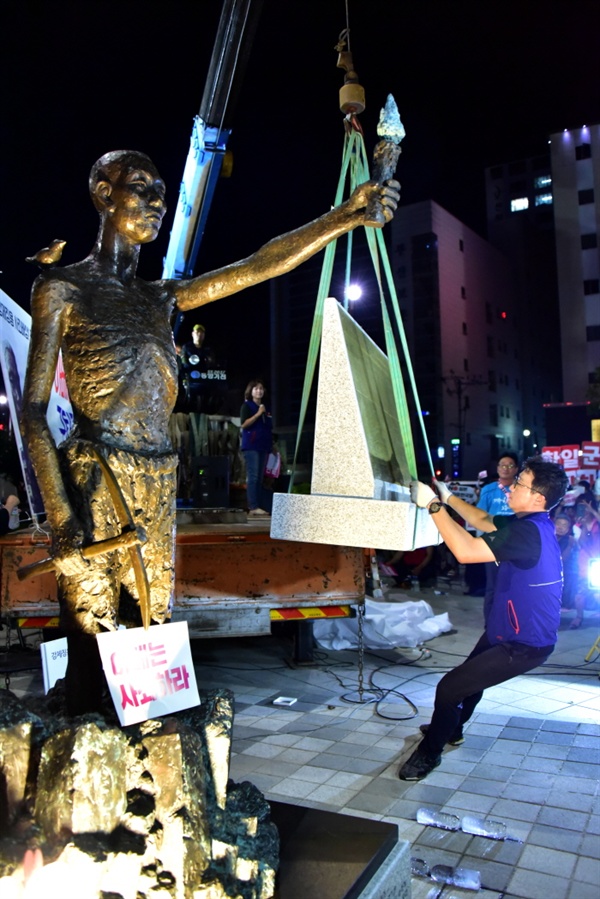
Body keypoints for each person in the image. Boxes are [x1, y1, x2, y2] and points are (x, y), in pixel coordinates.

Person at [21, 149, 399, 713]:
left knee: (152, 615)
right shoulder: (63, 289)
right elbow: (31, 411)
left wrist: (344, 216)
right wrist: (62, 516)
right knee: (91, 620)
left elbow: (259, 264)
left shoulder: (160, 296)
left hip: (156, 471)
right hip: (96, 472)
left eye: (162, 194)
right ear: (103, 192)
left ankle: (153, 743)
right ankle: (82, 741)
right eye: (140, 188)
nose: (155, 204)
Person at [398, 456, 568, 781]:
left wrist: (433, 506)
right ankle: (452, 730)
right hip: (505, 630)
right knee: (469, 682)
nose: (511, 485)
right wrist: (449, 498)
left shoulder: (527, 534)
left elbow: (465, 551)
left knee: (448, 689)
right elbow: (483, 519)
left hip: (524, 643)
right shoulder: (529, 524)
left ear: (538, 498)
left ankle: (428, 754)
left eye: (520, 482)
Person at [477, 452, 519, 623]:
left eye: (510, 465)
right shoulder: (488, 490)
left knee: (515, 585)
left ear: (516, 469)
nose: (506, 468)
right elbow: (479, 516)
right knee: (492, 586)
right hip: (494, 544)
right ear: (497, 468)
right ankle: (490, 623)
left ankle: (512, 622)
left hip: (516, 544)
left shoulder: (521, 489)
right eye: (502, 465)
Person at [240, 380, 273, 517]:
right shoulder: (247, 406)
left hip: (263, 446)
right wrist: (258, 414)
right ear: (251, 391)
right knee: (253, 477)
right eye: (256, 389)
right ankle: (252, 506)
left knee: (259, 478)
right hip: (251, 446)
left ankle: (259, 505)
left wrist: (272, 446)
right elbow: (244, 424)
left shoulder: (266, 408)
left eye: (261, 389)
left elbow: (268, 427)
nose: (259, 391)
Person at [569, 500, 600, 629]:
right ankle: (579, 617)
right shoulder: (577, 526)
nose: (585, 512)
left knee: (597, 593)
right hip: (585, 563)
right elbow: (582, 543)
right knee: (580, 593)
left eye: (587, 509)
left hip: (597, 560)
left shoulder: (597, 523)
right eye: (583, 509)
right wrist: (583, 527)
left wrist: (592, 511)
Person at [553, 513, 578, 610]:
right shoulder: (547, 538)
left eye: (564, 525)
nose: (561, 527)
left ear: (568, 529)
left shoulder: (569, 540)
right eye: (559, 524)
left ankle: (565, 606)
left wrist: (570, 546)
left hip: (566, 571)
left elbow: (562, 560)